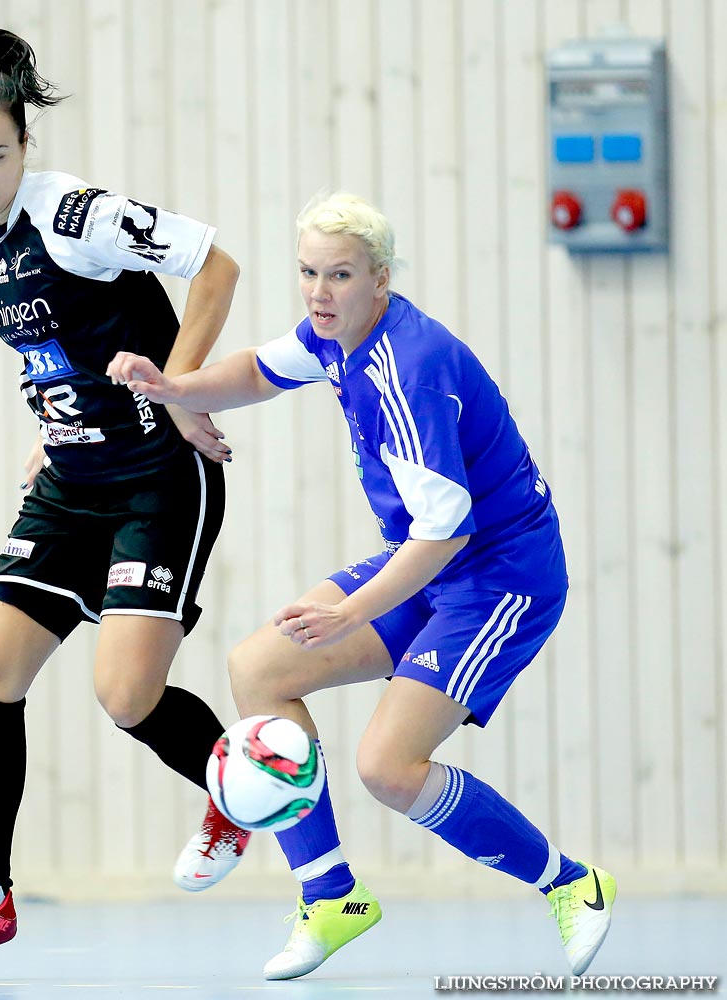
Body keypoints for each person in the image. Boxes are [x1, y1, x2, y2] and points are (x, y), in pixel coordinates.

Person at [107, 191, 617, 981]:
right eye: (308, 272)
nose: (318, 292)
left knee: (389, 767)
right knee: (259, 667)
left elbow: (447, 533)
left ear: (380, 278)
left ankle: (573, 885)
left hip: (499, 574)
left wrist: (348, 610)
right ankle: (331, 895)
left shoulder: (407, 369)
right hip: (428, 556)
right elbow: (258, 371)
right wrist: (178, 391)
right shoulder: (335, 335)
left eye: (338, 275)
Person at [0, 26, 250, 973]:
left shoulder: (76, 214)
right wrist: (48, 433)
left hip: (156, 479)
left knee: (125, 697)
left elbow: (214, 266)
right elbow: (58, 356)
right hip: (68, 483)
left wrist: (180, 392)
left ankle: (240, 794)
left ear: (24, 144)